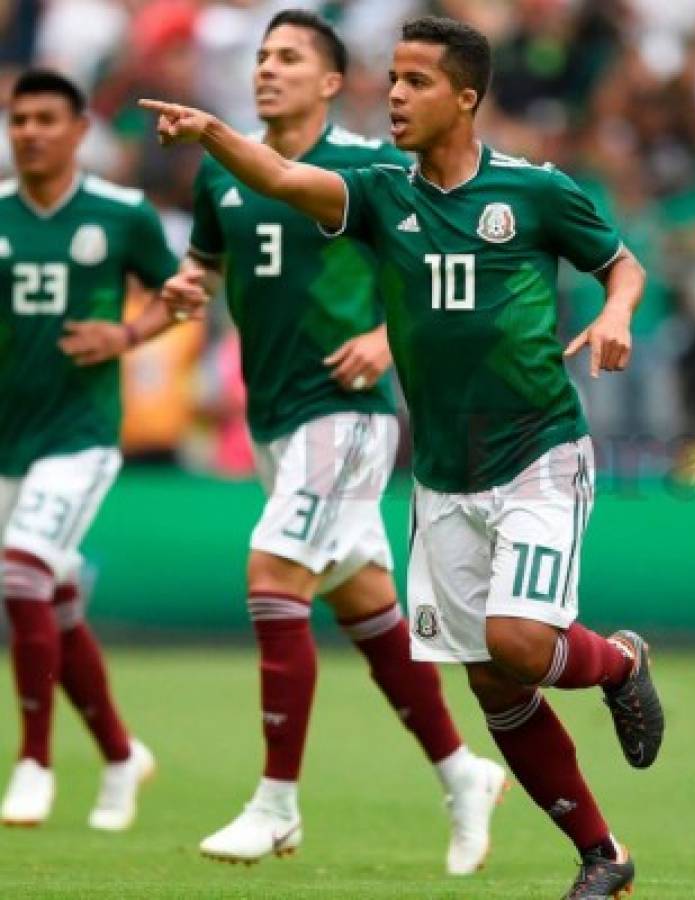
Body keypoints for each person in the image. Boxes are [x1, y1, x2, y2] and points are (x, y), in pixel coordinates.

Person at [144, 15, 663, 898]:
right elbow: (276, 173)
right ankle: (602, 857)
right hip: (443, 473)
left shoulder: (533, 192)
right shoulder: (381, 191)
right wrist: (214, 133)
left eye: (416, 81)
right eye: (391, 79)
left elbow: (622, 265)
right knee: (494, 683)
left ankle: (619, 664)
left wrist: (613, 316)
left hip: (538, 447)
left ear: (465, 97)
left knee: (518, 642)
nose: (394, 95)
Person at [159, 11, 504, 870]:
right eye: (263, 56)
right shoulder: (227, 173)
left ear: (330, 83)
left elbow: (445, 273)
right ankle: (463, 773)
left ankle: (276, 804)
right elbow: (207, 261)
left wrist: (390, 338)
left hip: (347, 416)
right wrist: (187, 285)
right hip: (274, 420)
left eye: (289, 59)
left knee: (274, 572)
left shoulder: (375, 168)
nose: (267, 70)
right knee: (366, 607)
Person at [0, 69, 179, 830]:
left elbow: (182, 290)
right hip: (9, 440)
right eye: (19, 119)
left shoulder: (122, 213)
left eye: (47, 118)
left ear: (79, 130)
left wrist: (127, 335)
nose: (31, 131)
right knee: (54, 602)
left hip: (81, 436)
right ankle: (118, 753)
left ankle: (35, 761)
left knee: (20, 575)